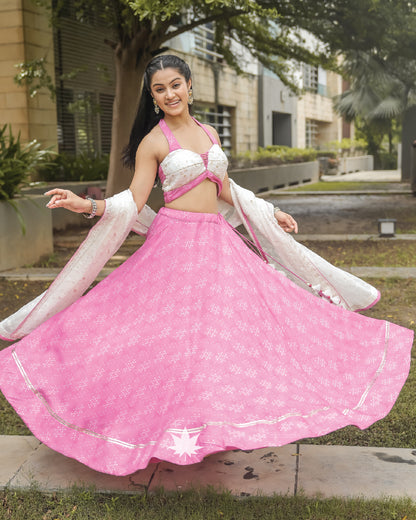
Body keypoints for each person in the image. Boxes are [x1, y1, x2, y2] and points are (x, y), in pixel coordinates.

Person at [0, 55, 413, 477]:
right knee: (160, 337)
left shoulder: (208, 131)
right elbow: (134, 201)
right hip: (174, 248)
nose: (169, 94)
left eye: (175, 85)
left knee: (226, 339)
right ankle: (154, 424)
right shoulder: (153, 142)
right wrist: (86, 204)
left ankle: (207, 429)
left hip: (217, 246)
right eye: (159, 89)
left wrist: (271, 213)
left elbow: (225, 188)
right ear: (153, 97)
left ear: (190, 86)